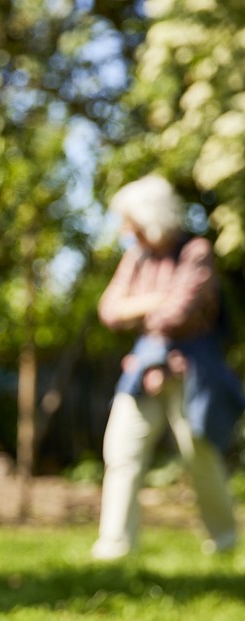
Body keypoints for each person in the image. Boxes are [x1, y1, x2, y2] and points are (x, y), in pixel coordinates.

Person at [92, 174, 244, 560]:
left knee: (200, 454)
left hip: (192, 371)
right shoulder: (136, 258)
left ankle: (224, 542)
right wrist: (156, 299)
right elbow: (109, 310)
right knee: (122, 450)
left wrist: (141, 308)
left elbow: (179, 312)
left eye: (132, 222)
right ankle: (115, 546)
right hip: (144, 369)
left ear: (152, 218)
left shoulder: (195, 251)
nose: (127, 232)